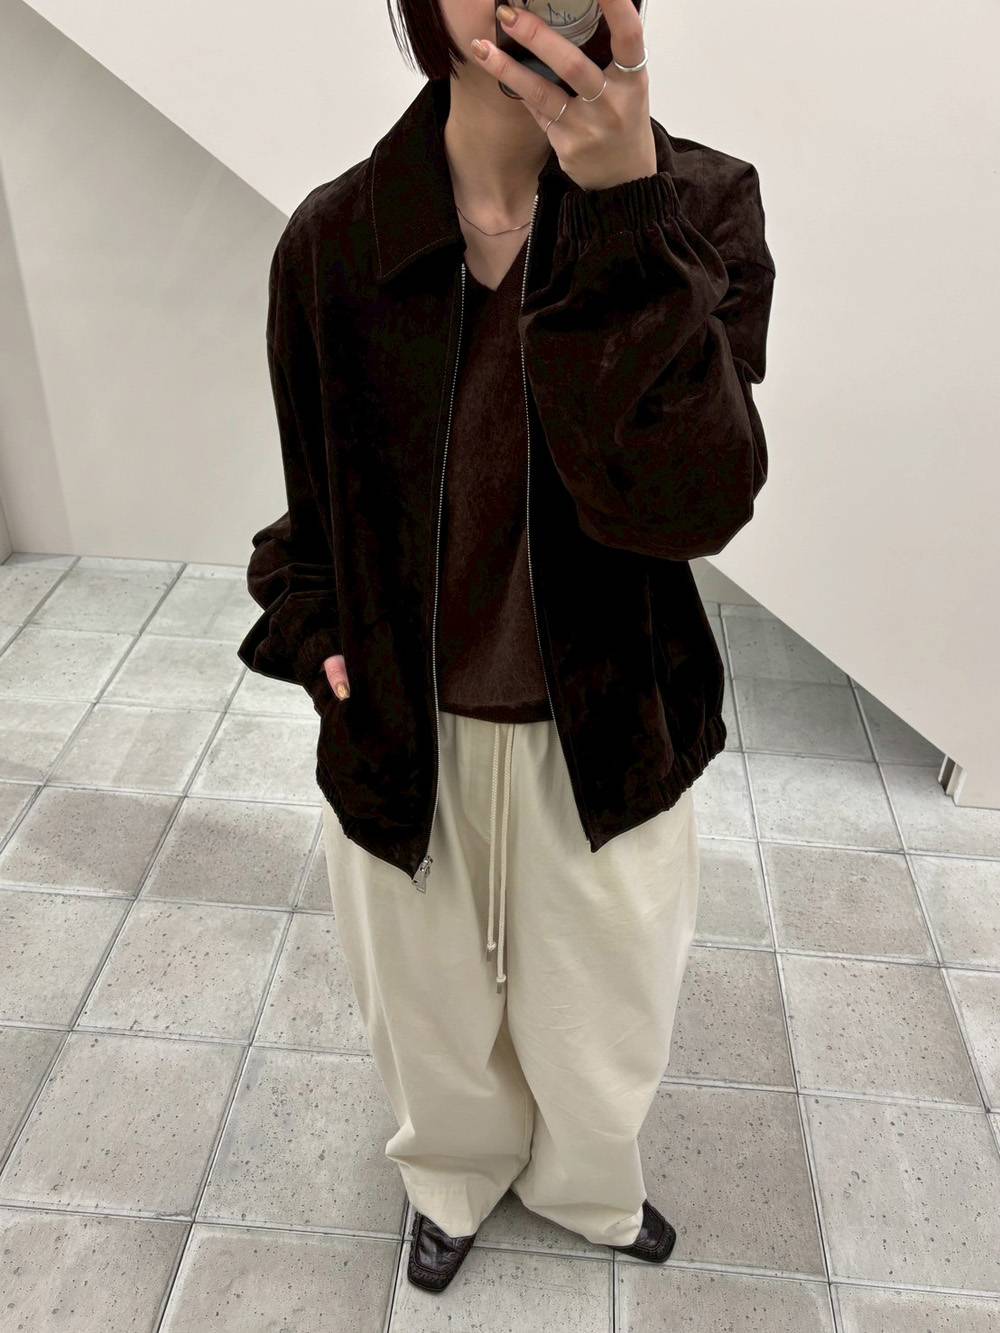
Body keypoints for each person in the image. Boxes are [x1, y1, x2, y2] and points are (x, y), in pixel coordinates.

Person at [237, 0, 775, 1296]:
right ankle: (450, 1183)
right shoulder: (336, 239)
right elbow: (315, 504)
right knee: (427, 1016)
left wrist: (626, 220)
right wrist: (318, 634)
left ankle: (589, 1188)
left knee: (608, 1013)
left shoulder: (699, 208)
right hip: (404, 720)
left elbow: (693, 506)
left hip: (611, 719)